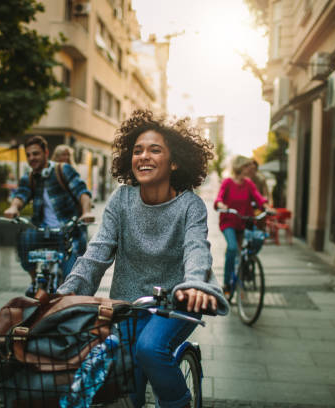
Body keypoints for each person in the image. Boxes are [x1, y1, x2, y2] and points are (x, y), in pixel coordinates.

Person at [57, 109, 229, 408]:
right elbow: (97, 253)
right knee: (125, 391)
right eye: (137, 151)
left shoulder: (191, 206)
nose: (143, 156)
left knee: (150, 350)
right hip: (128, 306)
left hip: (176, 304)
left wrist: (193, 284)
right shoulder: (121, 199)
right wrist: (66, 295)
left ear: (174, 162)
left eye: (154, 150)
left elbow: (196, 249)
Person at [3, 135, 94, 294]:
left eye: (36, 153)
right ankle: (34, 281)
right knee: (23, 239)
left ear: (46, 152)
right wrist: (13, 208)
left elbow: (82, 192)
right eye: (29, 155)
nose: (32, 158)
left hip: (68, 232)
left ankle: (68, 304)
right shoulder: (30, 177)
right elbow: (21, 195)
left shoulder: (62, 170)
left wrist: (86, 212)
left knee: (70, 279)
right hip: (43, 231)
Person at [214, 155, 268, 296]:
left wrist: (267, 207)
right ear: (240, 167)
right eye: (247, 166)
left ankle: (244, 268)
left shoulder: (249, 183)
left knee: (257, 240)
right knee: (232, 248)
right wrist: (221, 204)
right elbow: (219, 198)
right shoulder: (227, 182)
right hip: (229, 222)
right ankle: (226, 284)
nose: (250, 168)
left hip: (244, 222)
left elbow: (258, 198)